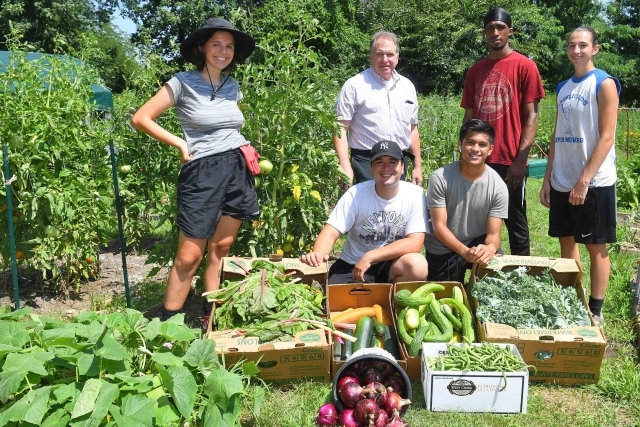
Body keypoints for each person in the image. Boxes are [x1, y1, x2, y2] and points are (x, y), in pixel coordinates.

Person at [131, 18, 260, 326]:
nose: (223, 51)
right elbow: (141, 118)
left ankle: (210, 318)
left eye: (229, 46)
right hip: (202, 172)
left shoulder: (232, 86)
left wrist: (244, 146)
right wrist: (179, 143)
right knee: (189, 256)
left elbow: (228, 123)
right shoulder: (182, 82)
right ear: (203, 47)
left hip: (236, 166)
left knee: (222, 247)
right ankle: (168, 325)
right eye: (216, 44)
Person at [540, 26, 621, 326]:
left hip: (594, 182)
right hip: (563, 177)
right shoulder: (563, 87)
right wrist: (549, 176)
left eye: (583, 45)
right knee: (566, 241)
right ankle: (573, 298)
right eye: (572, 45)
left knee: (595, 244)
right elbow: (557, 134)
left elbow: (607, 137)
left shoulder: (604, 84)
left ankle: (595, 309)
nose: (576, 51)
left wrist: (585, 179)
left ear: (595, 49)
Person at [461, 7, 545, 256]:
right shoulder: (475, 70)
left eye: (500, 27)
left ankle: (523, 273)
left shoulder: (525, 66)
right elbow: (469, 116)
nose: (495, 32)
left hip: (509, 159)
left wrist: (520, 160)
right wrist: (463, 151)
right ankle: (479, 269)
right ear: (485, 32)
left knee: (514, 220)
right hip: (478, 157)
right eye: (490, 28)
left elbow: (532, 116)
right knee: (476, 217)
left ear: (510, 31)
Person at [301, 140, 429, 284]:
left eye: (392, 162)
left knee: (417, 265)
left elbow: (415, 243)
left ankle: (395, 302)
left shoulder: (415, 194)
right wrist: (318, 254)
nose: (386, 167)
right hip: (353, 265)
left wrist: (370, 256)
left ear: (402, 167)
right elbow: (330, 232)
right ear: (371, 168)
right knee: (339, 299)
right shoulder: (355, 194)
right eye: (379, 162)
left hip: (391, 264)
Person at [334, 31, 423, 186]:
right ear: (371, 57)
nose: (385, 59)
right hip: (366, 161)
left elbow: (412, 129)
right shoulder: (355, 85)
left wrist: (417, 166)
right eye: (379, 54)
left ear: (397, 57)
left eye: (389, 54)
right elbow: (340, 127)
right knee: (367, 208)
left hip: (399, 159)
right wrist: (344, 165)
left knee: (395, 208)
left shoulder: (407, 87)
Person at [425, 119, 509, 284]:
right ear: (460, 144)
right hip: (443, 246)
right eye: (470, 142)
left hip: (476, 240)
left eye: (482, 144)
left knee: (497, 276)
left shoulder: (498, 186)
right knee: (444, 298)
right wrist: (464, 252)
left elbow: (494, 234)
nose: (475, 149)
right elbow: (439, 228)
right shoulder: (440, 178)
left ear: (490, 149)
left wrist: (490, 248)